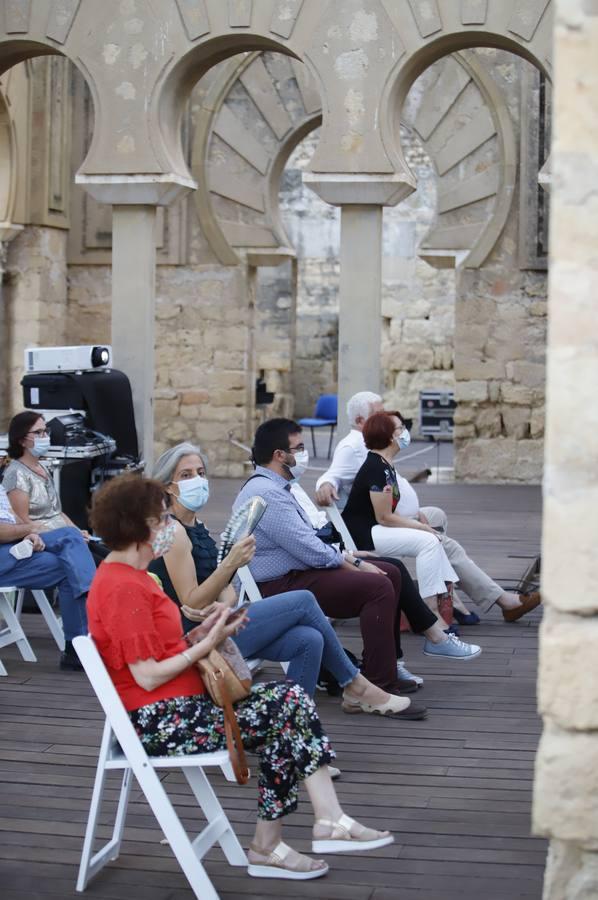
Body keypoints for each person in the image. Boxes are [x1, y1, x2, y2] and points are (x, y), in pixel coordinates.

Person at [86, 474, 395, 881]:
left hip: (183, 709)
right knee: (290, 707)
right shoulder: (122, 588)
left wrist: (207, 632)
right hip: (162, 723)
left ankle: (314, 826)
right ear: (138, 527)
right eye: (162, 519)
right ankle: (292, 836)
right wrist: (205, 643)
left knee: (292, 705)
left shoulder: (135, 578)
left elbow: (159, 652)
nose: (168, 527)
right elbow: (146, 676)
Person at [150, 442, 413, 718]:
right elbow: (191, 601)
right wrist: (230, 565)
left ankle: (295, 731)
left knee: (308, 639)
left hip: (219, 622)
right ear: (168, 486)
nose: (198, 481)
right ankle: (355, 684)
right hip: (196, 639)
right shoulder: (173, 532)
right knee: (303, 600)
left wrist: (223, 602)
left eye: (201, 473)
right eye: (186, 475)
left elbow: (226, 589)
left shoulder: (196, 526)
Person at [233, 418, 472, 712]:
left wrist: (349, 557)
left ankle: (384, 670)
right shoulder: (267, 492)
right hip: (282, 584)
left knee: (391, 570)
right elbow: (307, 549)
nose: (304, 454)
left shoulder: (277, 487)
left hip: (299, 572)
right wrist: (354, 561)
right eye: (300, 448)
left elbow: (307, 543)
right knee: (378, 585)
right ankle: (375, 685)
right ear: (280, 455)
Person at [316, 391, 541, 623]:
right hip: (377, 526)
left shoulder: (379, 450)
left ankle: (449, 596)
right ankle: (494, 601)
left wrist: (415, 515)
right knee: (441, 543)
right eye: (379, 414)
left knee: (437, 518)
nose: (387, 419)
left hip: (396, 518)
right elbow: (334, 476)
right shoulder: (353, 446)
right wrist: (325, 484)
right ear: (363, 421)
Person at [343, 411, 481, 655]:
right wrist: (422, 526)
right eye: (399, 428)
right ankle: (432, 612)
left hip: (374, 529)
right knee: (428, 541)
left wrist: (420, 523)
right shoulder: (377, 468)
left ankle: (444, 605)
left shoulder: (385, 465)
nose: (404, 431)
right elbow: (383, 516)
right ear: (388, 436)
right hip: (363, 534)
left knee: (432, 540)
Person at [0, 483, 95, 669]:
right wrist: (29, 531)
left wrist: (28, 532)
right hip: (4, 553)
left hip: (12, 547)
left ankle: (75, 650)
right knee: (70, 541)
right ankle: (94, 598)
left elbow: (13, 518)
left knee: (69, 560)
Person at [3, 411, 87, 535]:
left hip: (65, 536)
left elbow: (57, 513)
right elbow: (22, 523)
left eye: (45, 431)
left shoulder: (42, 467)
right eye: (38, 432)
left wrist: (78, 532)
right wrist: (67, 536)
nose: (45, 436)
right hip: (46, 541)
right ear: (21, 440)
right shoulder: (16, 474)